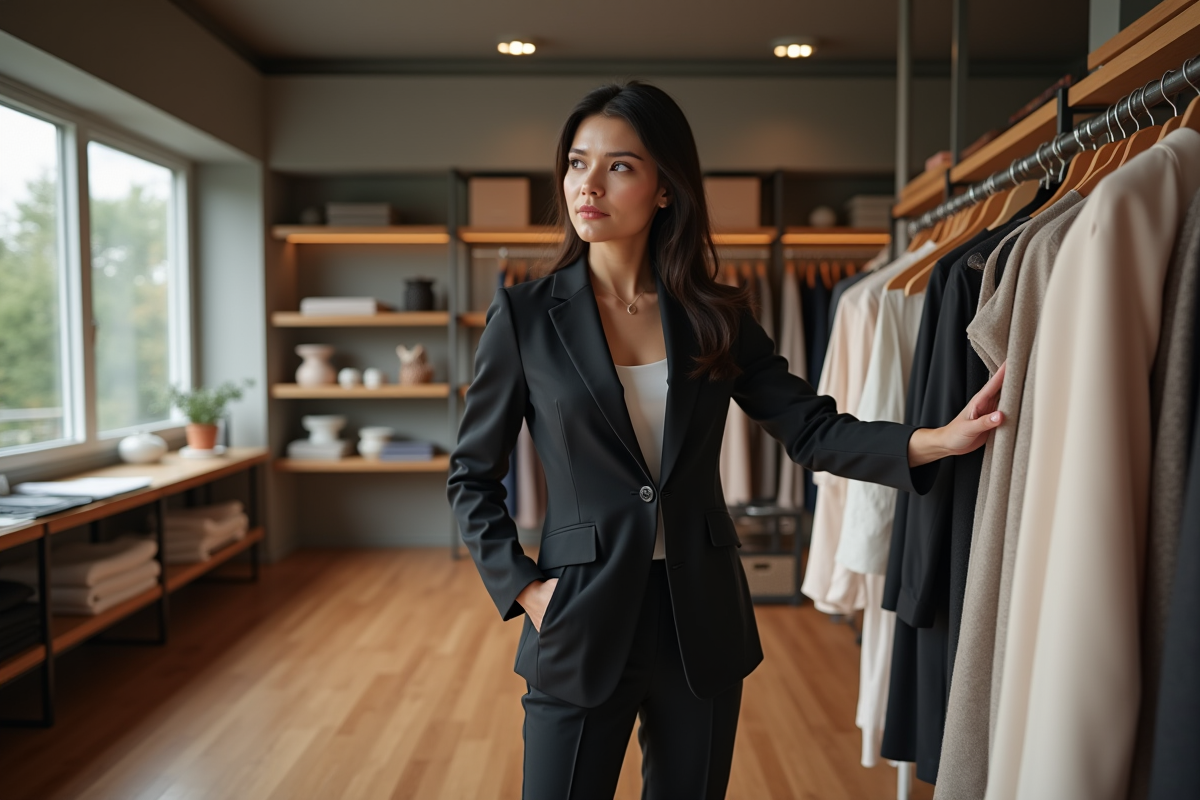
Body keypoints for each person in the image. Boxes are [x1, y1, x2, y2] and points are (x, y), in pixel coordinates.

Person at [446, 81, 1004, 800]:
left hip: (698, 618)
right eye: (578, 162)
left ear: (665, 189)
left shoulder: (714, 313)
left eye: (619, 166)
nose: (588, 184)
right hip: (578, 612)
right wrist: (524, 587)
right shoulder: (524, 317)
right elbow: (471, 475)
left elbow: (808, 427)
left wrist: (931, 442)